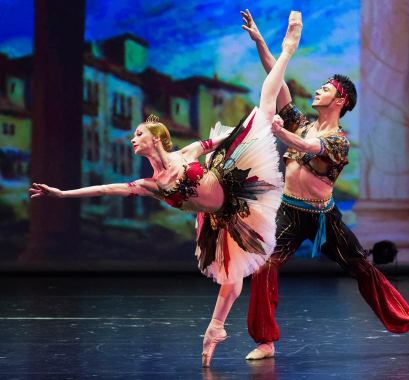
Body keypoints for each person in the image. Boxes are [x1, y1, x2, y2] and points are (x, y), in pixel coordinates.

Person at [29, 11, 303, 367]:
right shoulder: (151, 185)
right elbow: (105, 189)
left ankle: (286, 49)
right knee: (232, 274)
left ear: (156, 137)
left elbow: (211, 143)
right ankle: (214, 329)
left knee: (264, 111)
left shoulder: (183, 154)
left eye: (138, 134)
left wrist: (227, 137)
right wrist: (64, 194)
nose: (132, 139)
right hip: (219, 216)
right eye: (132, 136)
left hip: (231, 180)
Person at [240, 8, 409, 360]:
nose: (317, 92)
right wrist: (261, 43)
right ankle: (265, 340)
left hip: (324, 219)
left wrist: (279, 132)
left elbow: (308, 147)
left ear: (340, 101)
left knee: (363, 270)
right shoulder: (301, 122)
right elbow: (279, 80)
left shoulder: (337, 140)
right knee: (264, 266)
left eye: (324, 89)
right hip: (289, 211)